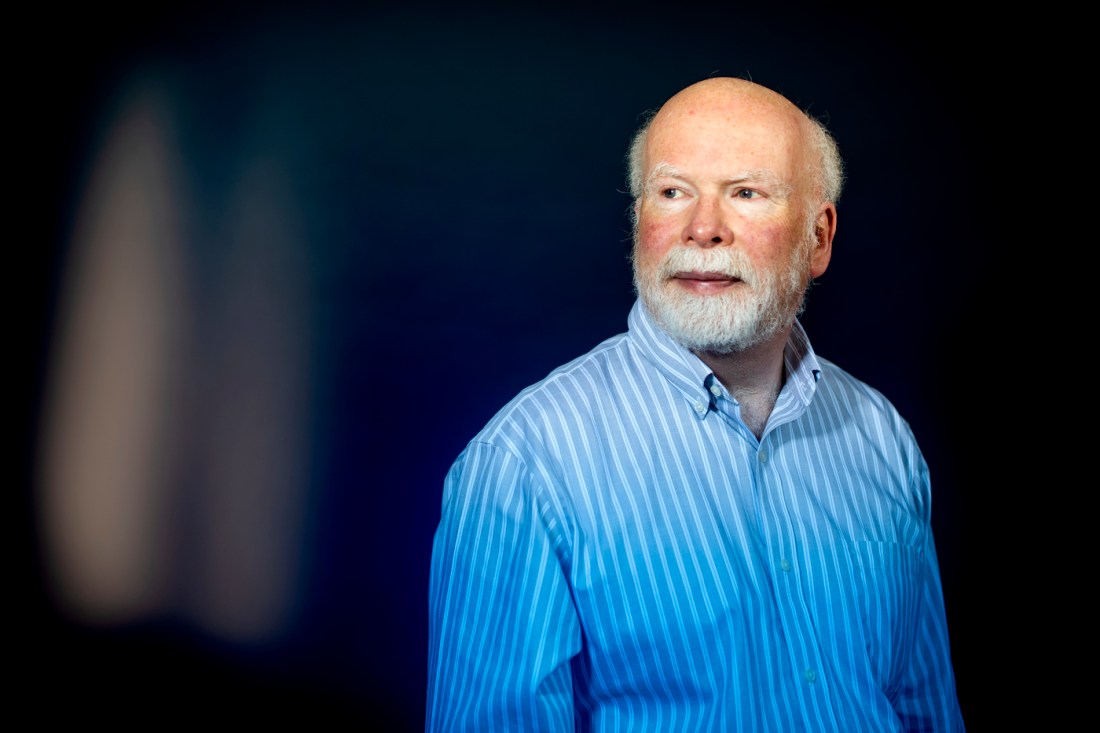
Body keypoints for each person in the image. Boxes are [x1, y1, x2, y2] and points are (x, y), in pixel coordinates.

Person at [425, 77, 965, 731]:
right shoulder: (523, 467)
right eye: (673, 191)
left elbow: (923, 706)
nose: (702, 228)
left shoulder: (881, 438)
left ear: (818, 238)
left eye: (745, 193)